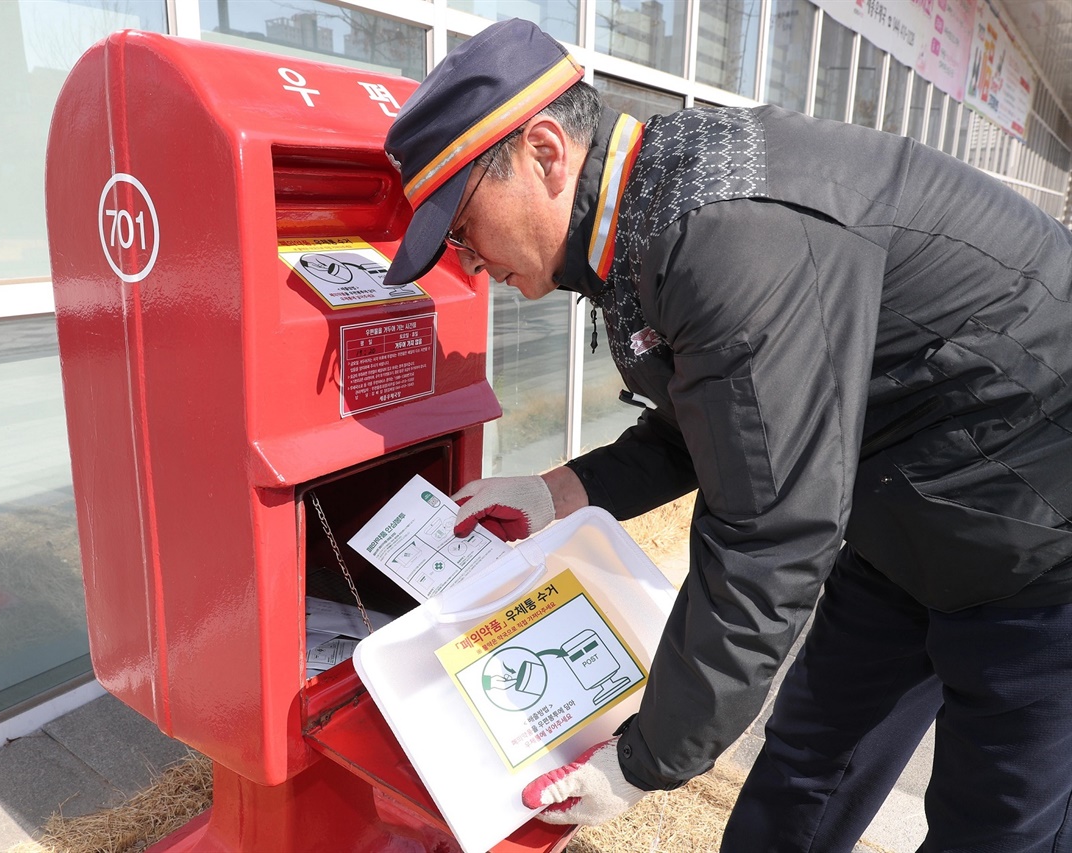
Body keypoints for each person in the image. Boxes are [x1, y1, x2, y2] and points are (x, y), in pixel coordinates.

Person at [381, 17, 1072, 853]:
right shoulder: (652, 208)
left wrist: (641, 761)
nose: (470, 261)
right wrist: (558, 490)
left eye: (462, 226)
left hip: (1036, 528)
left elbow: (767, 534)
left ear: (545, 151)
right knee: (808, 759)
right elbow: (723, 418)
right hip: (904, 498)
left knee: (992, 822)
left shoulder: (723, 234)